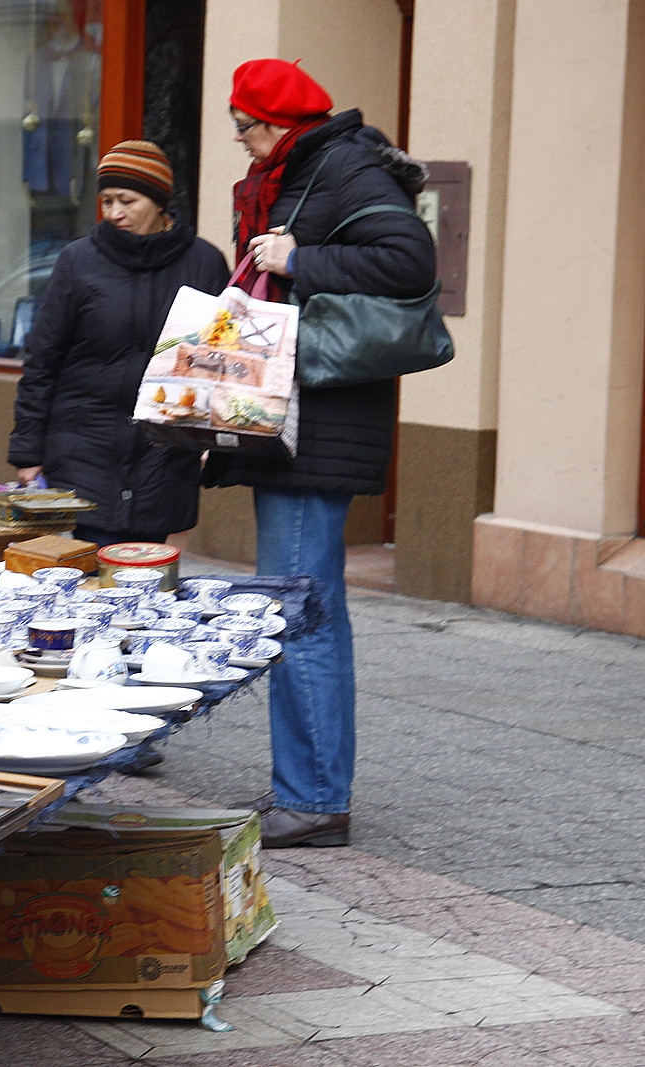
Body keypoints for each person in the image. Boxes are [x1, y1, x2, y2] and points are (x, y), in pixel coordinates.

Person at [207, 59, 436, 849]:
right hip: (294, 412)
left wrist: (297, 257)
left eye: (243, 126)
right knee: (304, 606)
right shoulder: (301, 173)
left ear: (276, 124)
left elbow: (410, 261)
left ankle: (312, 795)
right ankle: (308, 787)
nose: (240, 142)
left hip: (324, 417)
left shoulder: (344, 166)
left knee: (299, 609)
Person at [9, 141, 229, 546]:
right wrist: (28, 452)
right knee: (83, 575)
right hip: (82, 450)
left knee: (146, 577)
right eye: (106, 200)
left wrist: (212, 438)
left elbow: (219, 362)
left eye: (126, 200)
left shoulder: (205, 264)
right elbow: (42, 361)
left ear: (159, 201)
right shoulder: (79, 262)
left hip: (163, 455)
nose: (113, 213)